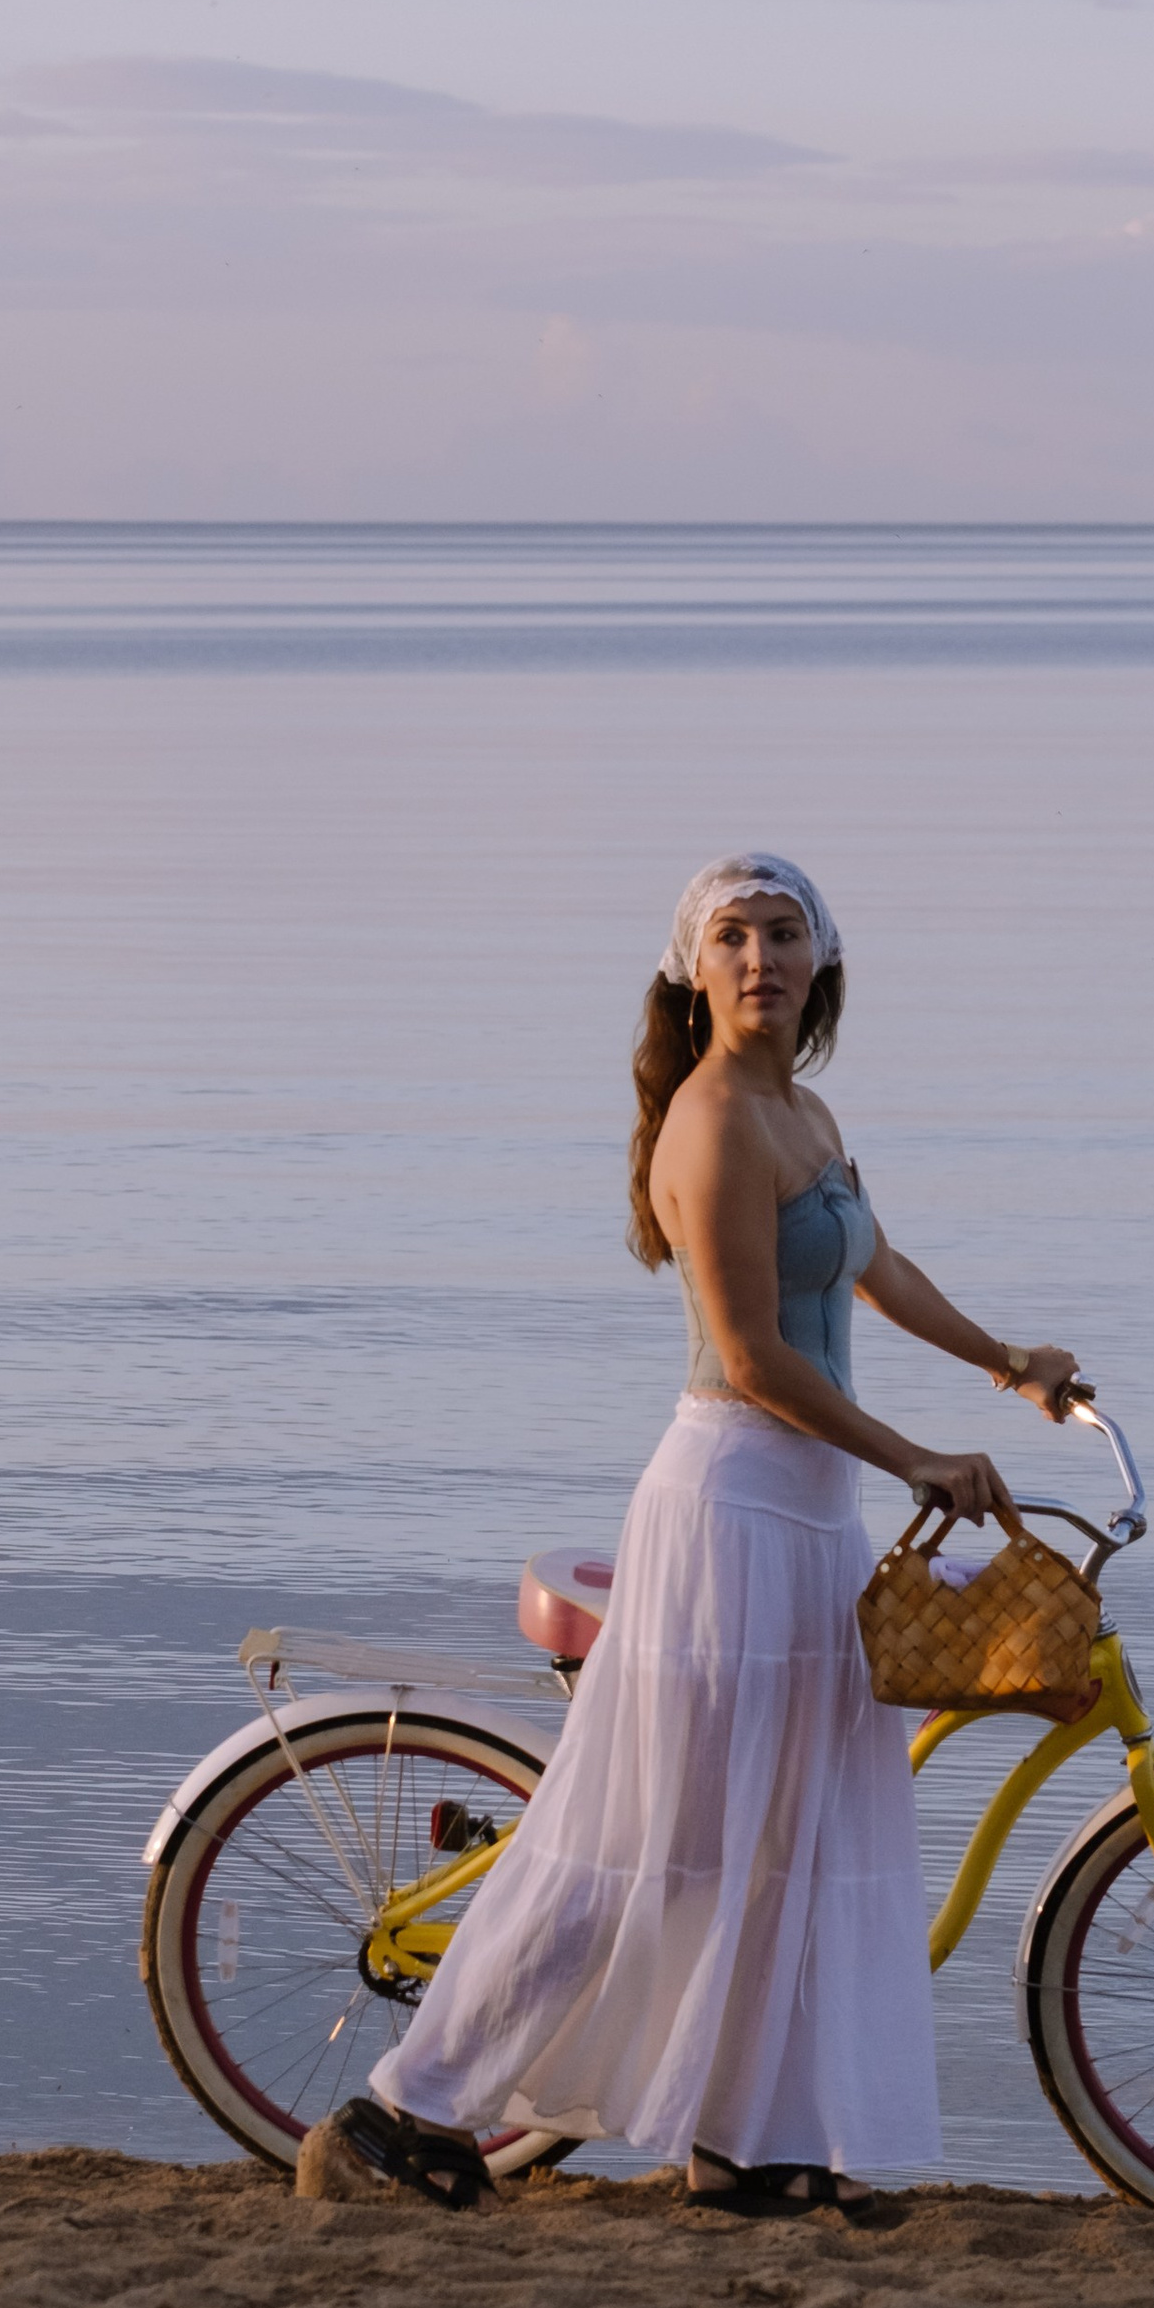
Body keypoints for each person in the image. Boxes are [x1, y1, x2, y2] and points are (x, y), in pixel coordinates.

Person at [329, 850, 1080, 2220]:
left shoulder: (804, 1107)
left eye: (783, 935)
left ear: (822, 963)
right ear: (694, 972)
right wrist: (912, 1455)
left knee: (783, 1835)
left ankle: (749, 2144)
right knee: (651, 1843)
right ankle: (401, 2109)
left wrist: (1008, 1362)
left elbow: (875, 1264)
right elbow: (748, 1358)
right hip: (731, 1508)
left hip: (812, 1517)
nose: (760, 961)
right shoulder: (715, 1122)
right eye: (731, 939)